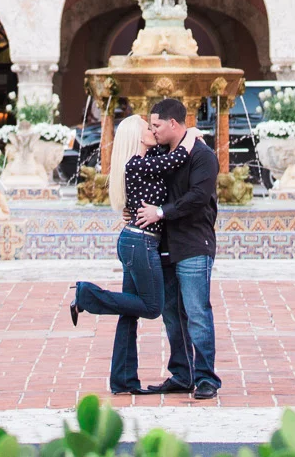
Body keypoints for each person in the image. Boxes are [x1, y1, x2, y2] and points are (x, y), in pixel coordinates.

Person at [68, 114, 197, 395]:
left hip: (136, 241)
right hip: (140, 244)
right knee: (151, 308)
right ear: (137, 137)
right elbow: (174, 161)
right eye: (147, 128)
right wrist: (190, 135)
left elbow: (166, 161)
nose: (152, 130)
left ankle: (123, 380)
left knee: (129, 312)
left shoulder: (144, 162)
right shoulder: (138, 163)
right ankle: (86, 295)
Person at [135, 96, 220, 399]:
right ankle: (182, 375)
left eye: (156, 125)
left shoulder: (202, 155)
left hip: (194, 243)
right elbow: (143, 183)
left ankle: (207, 377)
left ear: (173, 123)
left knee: (197, 312)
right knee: (172, 313)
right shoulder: (162, 154)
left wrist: (161, 212)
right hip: (164, 245)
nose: (153, 130)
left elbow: (198, 196)